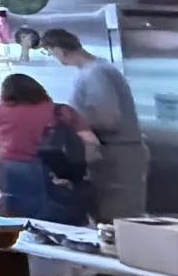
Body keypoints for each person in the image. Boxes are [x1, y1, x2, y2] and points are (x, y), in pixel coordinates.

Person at [40, 27, 150, 220]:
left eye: (49, 52)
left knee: (118, 219)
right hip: (113, 154)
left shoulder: (95, 73)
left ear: (56, 48)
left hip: (117, 155)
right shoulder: (94, 70)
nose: (53, 57)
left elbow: (109, 119)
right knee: (108, 218)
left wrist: (70, 122)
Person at [0, 73, 97, 224]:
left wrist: (6, 152)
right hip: (59, 177)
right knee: (65, 224)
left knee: (21, 227)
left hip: (15, 178)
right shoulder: (61, 111)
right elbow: (91, 142)